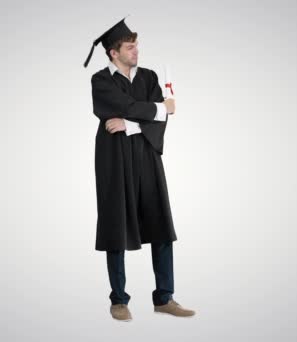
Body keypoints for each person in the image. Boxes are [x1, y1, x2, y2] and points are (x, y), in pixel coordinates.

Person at [84, 16, 196, 321]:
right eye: (130, 47)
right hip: (114, 159)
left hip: (146, 156)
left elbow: (154, 121)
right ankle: (119, 300)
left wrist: (131, 125)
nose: (136, 51)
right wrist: (160, 108)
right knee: (116, 224)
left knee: (160, 223)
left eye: (137, 46)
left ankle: (164, 298)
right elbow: (141, 108)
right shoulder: (101, 81)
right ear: (113, 52)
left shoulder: (148, 77)